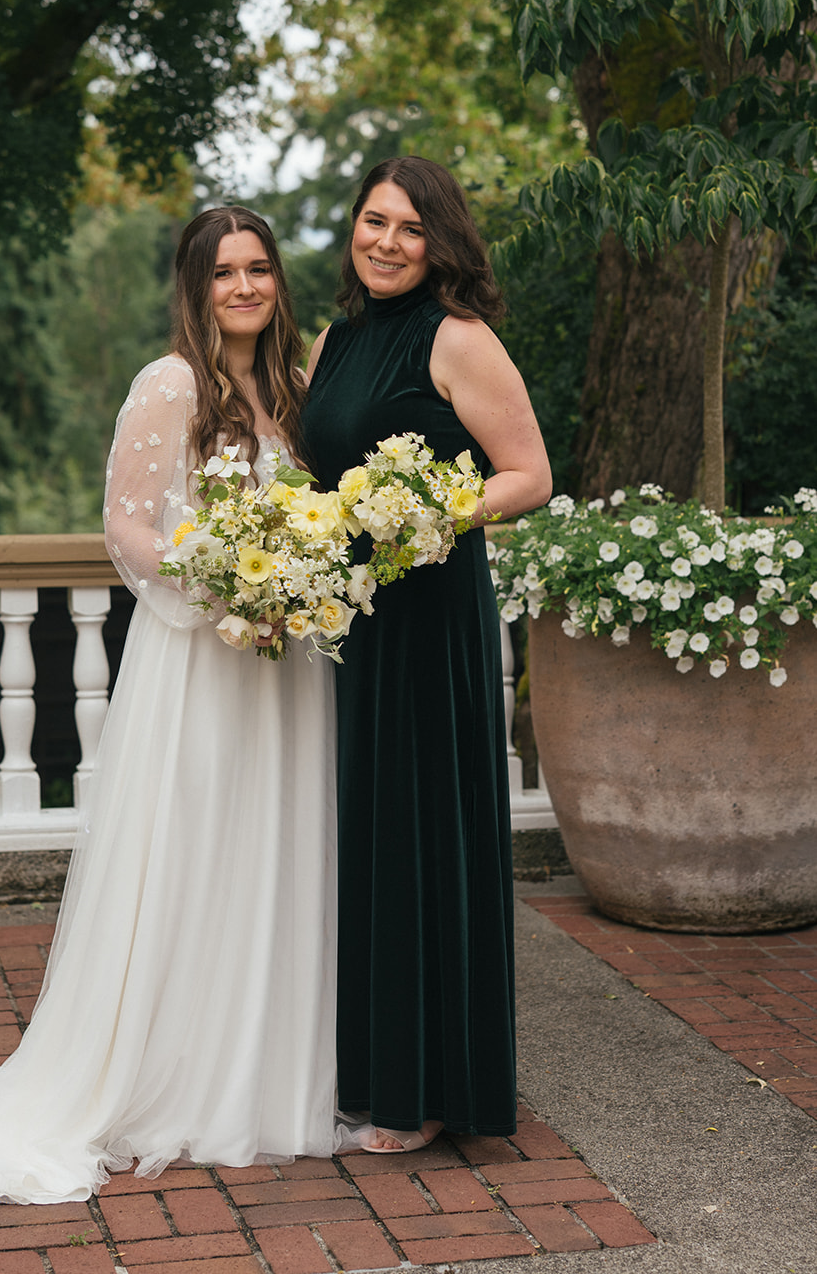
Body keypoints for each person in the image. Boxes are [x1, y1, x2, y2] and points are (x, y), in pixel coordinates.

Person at [0, 206, 361, 1214]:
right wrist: (222, 583)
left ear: (277, 283)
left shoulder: (297, 390)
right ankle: (171, 1067)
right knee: (195, 848)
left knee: (277, 849)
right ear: (195, 286)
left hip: (288, 661)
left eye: (258, 270)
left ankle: (266, 1063)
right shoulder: (168, 385)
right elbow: (121, 523)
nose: (243, 287)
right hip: (200, 656)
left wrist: (293, 586)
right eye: (223, 272)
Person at [301, 156, 552, 1155]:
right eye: (373, 221)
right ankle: (373, 1069)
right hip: (357, 619)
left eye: (409, 227)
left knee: (421, 834)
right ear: (352, 229)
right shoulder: (337, 338)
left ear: (439, 239)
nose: (386, 241)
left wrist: (427, 511)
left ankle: (433, 1088)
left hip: (431, 613)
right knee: (369, 835)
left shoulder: (459, 338)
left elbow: (527, 474)